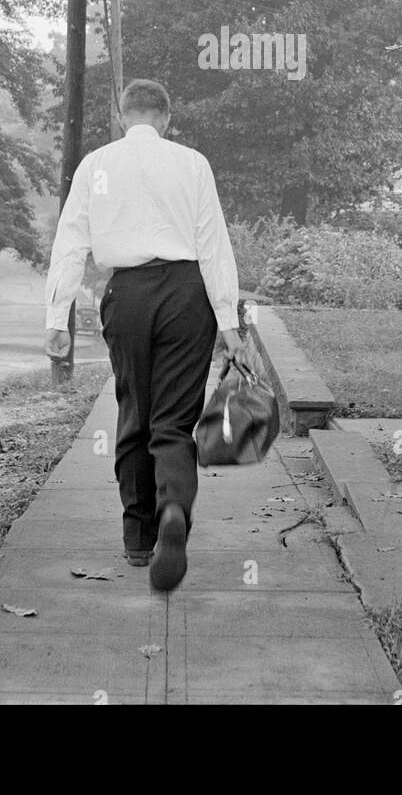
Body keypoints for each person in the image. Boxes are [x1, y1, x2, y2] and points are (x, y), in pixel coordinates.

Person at [43, 79, 250, 592]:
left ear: (121, 116)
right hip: (187, 295)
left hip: (128, 295)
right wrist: (229, 324)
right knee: (174, 420)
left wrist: (57, 319)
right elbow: (213, 246)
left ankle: (138, 537)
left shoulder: (96, 164)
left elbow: (70, 243)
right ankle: (174, 508)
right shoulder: (192, 163)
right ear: (167, 118)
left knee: (134, 409)